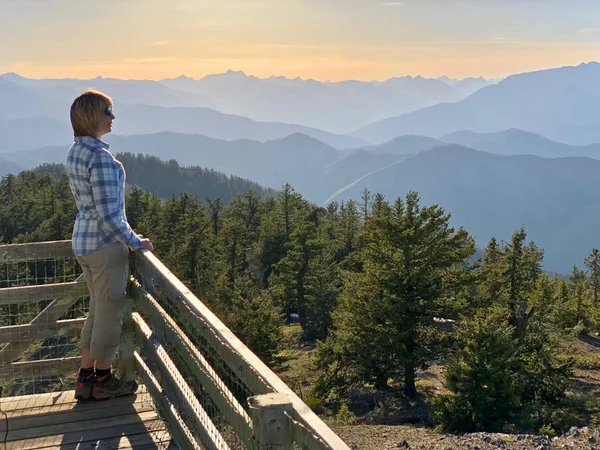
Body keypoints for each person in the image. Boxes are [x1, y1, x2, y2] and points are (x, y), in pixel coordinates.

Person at [66, 89, 153, 401]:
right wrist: (134, 241)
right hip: (104, 246)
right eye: (107, 111)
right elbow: (109, 215)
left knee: (97, 309)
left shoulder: (76, 152)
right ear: (93, 117)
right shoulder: (101, 160)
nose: (112, 116)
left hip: (83, 242)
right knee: (110, 311)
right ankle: (102, 379)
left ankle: (85, 377)